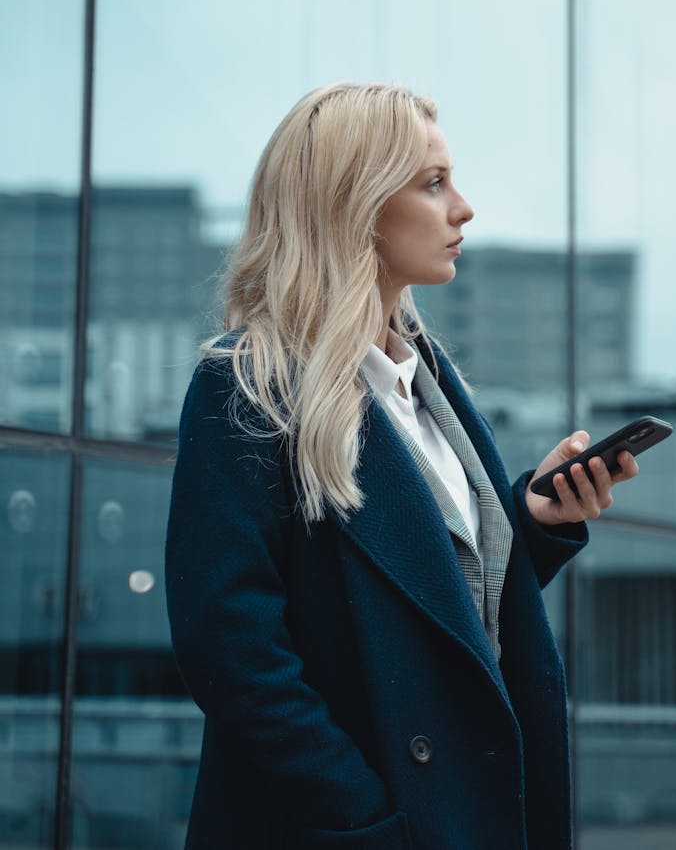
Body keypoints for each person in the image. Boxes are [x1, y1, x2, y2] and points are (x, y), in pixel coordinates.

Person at [165, 82, 638, 850]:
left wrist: (531, 522)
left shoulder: (428, 379)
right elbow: (229, 647)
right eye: (433, 182)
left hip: (470, 804)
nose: (464, 208)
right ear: (356, 203)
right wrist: (362, 813)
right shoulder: (245, 385)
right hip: (364, 825)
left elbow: (423, 605)